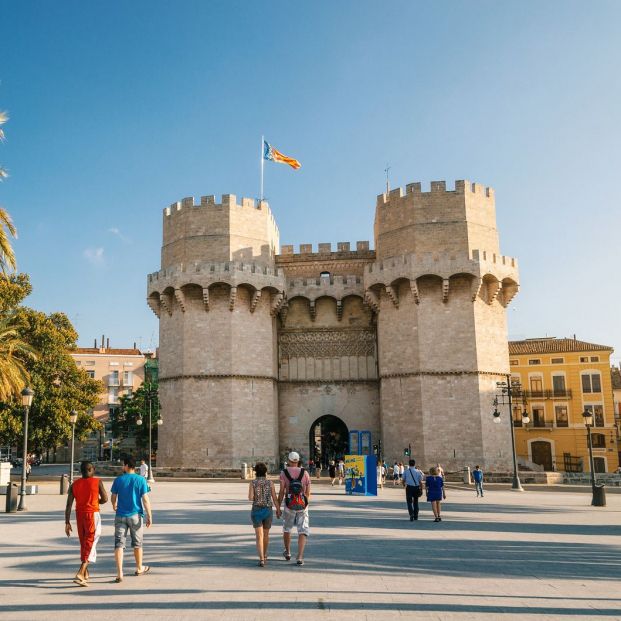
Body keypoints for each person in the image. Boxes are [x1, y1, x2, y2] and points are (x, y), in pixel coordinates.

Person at [65, 461, 108, 586]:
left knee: (84, 542)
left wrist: (67, 522)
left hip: (79, 515)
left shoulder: (74, 484)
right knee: (91, 541)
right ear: (91, 469)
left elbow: (68, 505)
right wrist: (96, 501)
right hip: (92, 514)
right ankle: (80, 571)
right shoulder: (97, 482)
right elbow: (105, 498)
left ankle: (85, 574)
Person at [110, 456, 153, 582]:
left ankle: (119, 573)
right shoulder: (141, 480)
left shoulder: (118, 480)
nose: (122, 467)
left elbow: (113, 496)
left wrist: (114, 505)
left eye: (123, 464)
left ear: (127, 465)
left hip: (120, 515)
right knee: (137, 544)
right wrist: (149, 515)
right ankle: (139, 567)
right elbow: (145, 499)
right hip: (136, 516)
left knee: (119, 544)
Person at [277, 451, 311, 566]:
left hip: (289, 504)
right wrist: (305, 504)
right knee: (303, 530)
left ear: (289, 460)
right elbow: (308, 493)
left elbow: (282, 491)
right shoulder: (305, 473)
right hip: (302, 504)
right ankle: (300, 556)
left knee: (287, 528)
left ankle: (288, 552)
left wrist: (277, 506)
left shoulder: (283, 473)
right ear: (298, 461)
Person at [248, 462, 280, 567]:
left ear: (256, 472)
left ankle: (261, 559)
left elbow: (250, 498)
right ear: (265, 472)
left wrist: (257, 495)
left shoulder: (252, 483)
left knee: (259, 536)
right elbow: (275, 498)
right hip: (267, 510)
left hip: (256, 510)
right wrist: (278, 509)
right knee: (266, 535)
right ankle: (265, 555)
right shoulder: (270, 483)